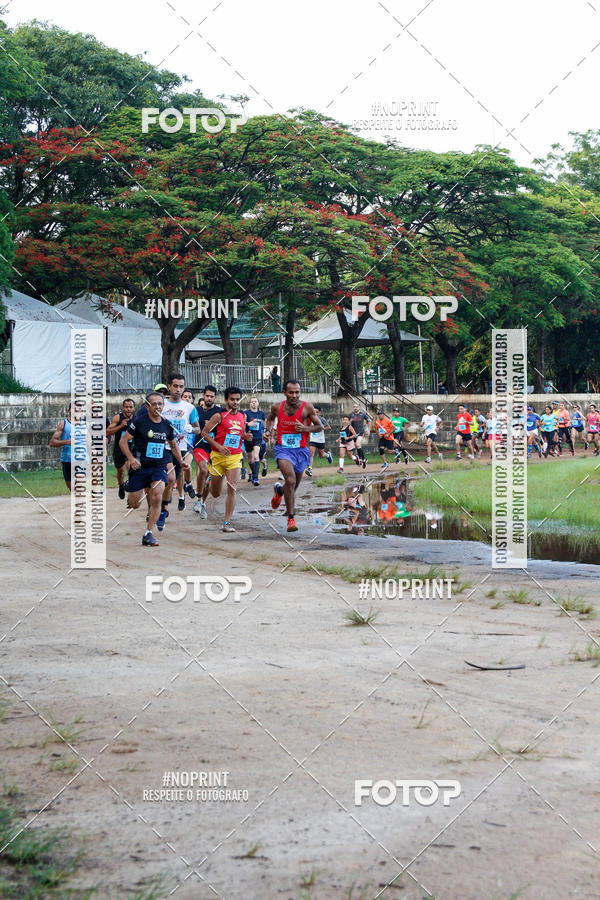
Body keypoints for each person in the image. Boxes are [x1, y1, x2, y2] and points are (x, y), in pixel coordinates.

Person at [120, 392, 190, 547]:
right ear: (147, 406)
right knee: (134, 504)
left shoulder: (167, 424)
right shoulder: (139, 422)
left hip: (158, 466)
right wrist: (131, 459)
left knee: (157, 497)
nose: (157, 406)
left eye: (160, 403)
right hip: (140, 466)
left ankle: (148, 533)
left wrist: (181, 461)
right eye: (154, 404)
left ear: (163, 405)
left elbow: (173, 445)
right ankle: (129, 487)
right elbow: (123, 441)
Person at [264, 380, 322, 532]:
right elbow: (270, 419)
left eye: (297, 392)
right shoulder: (277, 407)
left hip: (301, 450)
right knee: (290, 480)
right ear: (284, 392)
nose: (294, 395)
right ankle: (291, 519)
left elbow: (319, 426)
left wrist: (305, 428)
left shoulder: (307, 407)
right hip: (283, 449)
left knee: (293, 485)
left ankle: (280, 492)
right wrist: (267, 431)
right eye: (291, 392)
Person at [202, 386, 252, 532]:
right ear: (226, 400)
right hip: (218, 456)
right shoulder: (219, 416)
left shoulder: (243, 416)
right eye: (232, 399)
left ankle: (226, 522)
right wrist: (219, 446)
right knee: (216, 493)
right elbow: (205, 433)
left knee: (232, 488)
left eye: (237, 399)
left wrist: (245, 437)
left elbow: (240, 433)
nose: (235, 402)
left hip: (234, 456)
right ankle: (209, 484)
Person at [158, 373, 199, 528]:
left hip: (182, 448)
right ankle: (162, 510)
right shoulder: (162, 405)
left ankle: (163, 506)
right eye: (175, 386)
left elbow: (198, 429)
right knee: (170, 477)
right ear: (169, 386)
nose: (178, 389)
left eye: (181, 386)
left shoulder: (189, 408)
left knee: (173, 479)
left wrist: (190, 428)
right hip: (164, 447)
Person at [192, 385, 222, 518]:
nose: (209, 398)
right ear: (203, 396)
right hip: (200, 446)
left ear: (215, 398)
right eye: (207, 396)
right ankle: (198, 496)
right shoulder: (196, 411)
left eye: (212, 396)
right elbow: (190, 426)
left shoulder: (219, 412)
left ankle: (202, 502)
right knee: (203, 470)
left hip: (214, 449)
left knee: (210, 480)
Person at [107, 399, 136, 499]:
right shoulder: (118, 418)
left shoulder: (137, 419)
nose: (128, 409)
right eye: (126, 407)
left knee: (131, 471)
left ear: (134, 408)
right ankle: (121, 485)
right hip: (119, 449)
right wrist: (120, 426)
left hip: (131, 449)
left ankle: (131, 496)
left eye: (130, 407)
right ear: (123, 408)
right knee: (120, 472)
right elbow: (107, 432)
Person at [243, 397, 267, 486]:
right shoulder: (246, 413)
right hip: (248, 438)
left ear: (258, 403)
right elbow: (241, 423)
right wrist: (247, 424)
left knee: (256, 457)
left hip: (258, 438)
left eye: (255, 402)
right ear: (250, 404)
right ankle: (254, 475)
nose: (253, 403)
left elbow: (264, 425)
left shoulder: (261, 414)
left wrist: (265, 432)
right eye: (252, 402)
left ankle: (256, 478)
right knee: (250, 460)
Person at [49, 403, 73, 491]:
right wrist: (66, 442)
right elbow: (52, 442)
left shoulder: (85, 424)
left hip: (81, 459)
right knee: (71, 486)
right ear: (69, 411)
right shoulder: (63, 424)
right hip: (67, 459)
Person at [307, 404, 333, 476]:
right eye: (314, 412)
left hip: (321, 440)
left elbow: (328, 427)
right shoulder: (310, 419)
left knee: (321, 455)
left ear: (319, 413)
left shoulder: (322, 419)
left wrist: (321, 428)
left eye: (317, 412)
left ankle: (328, 455)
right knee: (311, 454)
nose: (315, 413)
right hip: (313, 439)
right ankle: (310, 469)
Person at [349, 403, 371, 467]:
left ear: (359, 407)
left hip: (361, 432)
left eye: (356, 407)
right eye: (354, 407)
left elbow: (369, 421)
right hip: (353, 433)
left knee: (357, 444)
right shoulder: (351, 415)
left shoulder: (362, 414)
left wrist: (368, 429)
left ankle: (360, 460)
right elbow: (347, 422)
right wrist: (349, 422)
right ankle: (364, 460)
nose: (355, 408)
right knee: (358, 446)